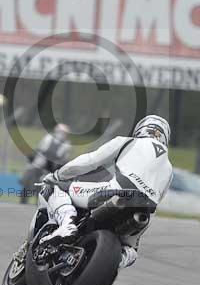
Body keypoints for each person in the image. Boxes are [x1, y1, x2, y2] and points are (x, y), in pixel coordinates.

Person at [38, 115, 173, 269]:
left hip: (114, 193)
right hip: (144, 210)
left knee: (59, 188)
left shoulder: (128, 141)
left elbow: (90, 161)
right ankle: (123, 257)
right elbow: (158, 201)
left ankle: (67, 224)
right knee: (130, 250)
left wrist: (58, 175)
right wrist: (135, 240)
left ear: (141, 128)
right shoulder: (169, 169)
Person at [20, 123, 72, 203]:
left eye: (63, 133)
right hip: (41, 161)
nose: (61, 134)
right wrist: (33, 158)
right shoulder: (48, 137)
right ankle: (24, 193)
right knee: (30, 172)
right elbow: (39, 149)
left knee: (47, 181)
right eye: (60, 132)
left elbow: (63, 159)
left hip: (53, 167)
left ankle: (42, 199)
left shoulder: (67, 144)